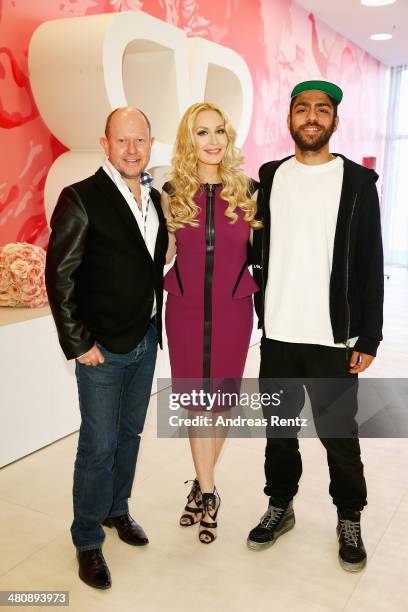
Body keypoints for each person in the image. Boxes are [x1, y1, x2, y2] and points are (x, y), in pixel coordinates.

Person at [247, 80, 384, 572]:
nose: (311, 117)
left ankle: (349, 516)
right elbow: (253, 249)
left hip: (332, 337)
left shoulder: (357, 184)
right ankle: (280, 505)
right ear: (289, 119)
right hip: (279, 332)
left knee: (338, 436)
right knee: (279, 432)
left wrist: (368, 336)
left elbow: (370, 262)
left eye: (320, 110)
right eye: (301, 108)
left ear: (334, 121)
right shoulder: (269, 178)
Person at [45, 108, 168, 589]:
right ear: (105, 143)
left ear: (151, 144)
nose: (133, 150)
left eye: (141, 141)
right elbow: (60, 275)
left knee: (131, 434)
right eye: (123, 141)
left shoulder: (156, 199)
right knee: (98, 446)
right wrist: (79, 343)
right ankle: (87, 538)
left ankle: (118, 510)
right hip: (101, 349)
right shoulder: (80, 198)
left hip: (144, 339)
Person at [161, 102, 262, 544]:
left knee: (219, 402)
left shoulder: (249, 190)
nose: (213, 141)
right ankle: (207, 492)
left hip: (234, 310)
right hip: (183, 310)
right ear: (189, 140)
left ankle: (202, 490)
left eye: (219, 131)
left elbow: (262, 256)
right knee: (195, 404)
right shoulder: (170, 192)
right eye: (202, 133)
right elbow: (162, 255)